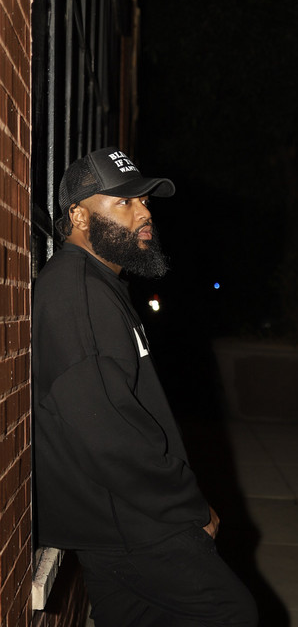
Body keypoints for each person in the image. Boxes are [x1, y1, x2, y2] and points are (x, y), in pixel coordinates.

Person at [32, 146, 258, 627]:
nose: (143, 213)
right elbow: (106, 432)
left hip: (117, 519)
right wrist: (187, 506)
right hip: (134, 523)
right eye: (124, 202)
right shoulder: (77, 293)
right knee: (231, 614)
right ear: (79, 216)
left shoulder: (97, 284)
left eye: (145, 201)